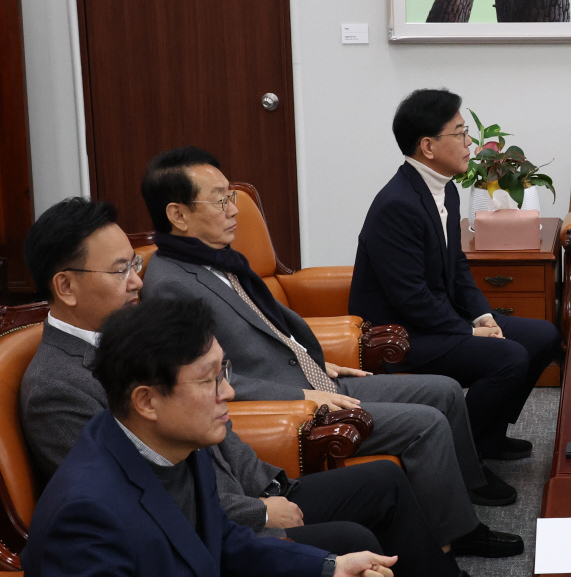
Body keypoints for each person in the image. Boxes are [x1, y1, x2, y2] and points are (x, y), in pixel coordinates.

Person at [20, 197, 464, 576]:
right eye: (121, 270)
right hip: (204, 535)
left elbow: (211, 521)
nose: (138, 280)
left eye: (135, 264)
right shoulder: (60, 398)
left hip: (235, 510)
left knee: (377, 492)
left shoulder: (173, 434)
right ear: (66, 285)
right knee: (351, 536)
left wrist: (322, 562)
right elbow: (151, 512)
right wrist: (262, 512)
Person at [138, 148, 523, 558]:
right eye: (219, 200)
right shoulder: (170, 285)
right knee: (425, 423)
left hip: (314, 378)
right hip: (293, 403)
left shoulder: (218, 260)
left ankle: (464, 495)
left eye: (230, 196)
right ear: (177, 215)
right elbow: (206, 381)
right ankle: (460, 532)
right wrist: (303, 396)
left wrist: (316, 362)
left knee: (444, 391)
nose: (233, 210)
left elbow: (268, 330)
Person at [22, 296, 398, 577]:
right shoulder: (85, 517)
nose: (228, 393)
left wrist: (330, 567)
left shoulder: (179, 445)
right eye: (208, 380)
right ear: (146, 401)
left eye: (224, 373)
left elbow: (222, 541)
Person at [347, 88, 560, 461]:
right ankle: (465, 457)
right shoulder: (397, 205)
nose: (469, 145)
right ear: (428, 147)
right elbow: (410, 299)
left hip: (434, 322)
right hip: (398, 336)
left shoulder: (444, 191)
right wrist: (468, 331)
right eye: (460, 134)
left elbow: (458, 266)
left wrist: (483, 316)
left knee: (542, 335)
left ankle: (487, 435)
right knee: (507, 357)